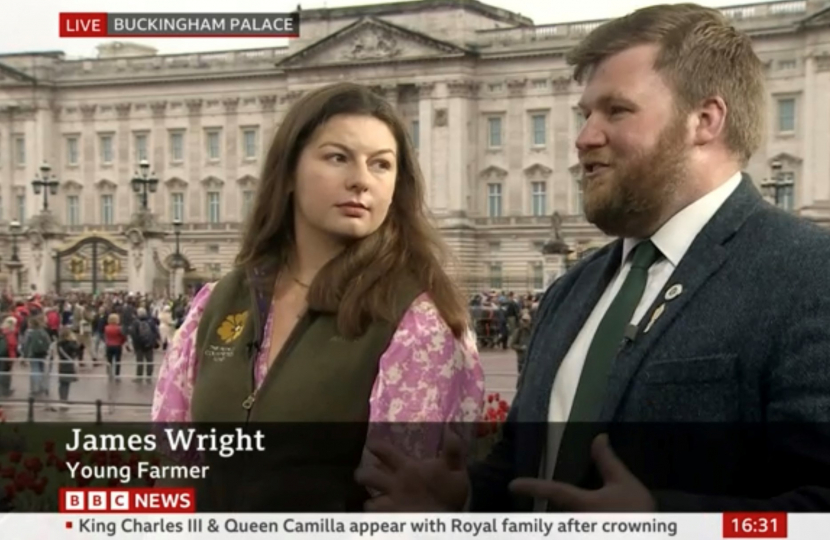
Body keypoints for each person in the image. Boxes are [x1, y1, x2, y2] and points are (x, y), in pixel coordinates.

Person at [355, 3, 830, 512]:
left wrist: (663, 521)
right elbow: (524, 464)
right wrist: (466, 497)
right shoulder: (570, 291)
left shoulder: (809, 273)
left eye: (616, 111)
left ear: (705, 120)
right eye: (585, 114)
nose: (584, 138)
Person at [152, 82, 484, 511]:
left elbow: (398, 500)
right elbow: (174, 465)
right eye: (338, 158)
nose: (361, 181)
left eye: (381, 165)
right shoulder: (218, 301)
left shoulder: (416, 320)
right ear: (289, 172)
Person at [129, 307, 160, 383]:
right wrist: (154, 341)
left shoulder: (135, 322)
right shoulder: (151, 321)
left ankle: (139, 377)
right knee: (150, 361)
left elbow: (133, 334)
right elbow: (155, 332)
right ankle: (149, 377)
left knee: (140, 361)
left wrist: (135, 345)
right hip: (149, 345)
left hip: (139, 346)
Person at [55, 326, 80, 411]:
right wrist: (76, 341)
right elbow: (77, 350)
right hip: (69, 364)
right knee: (66, 384)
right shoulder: (70, 344)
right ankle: (63, 401)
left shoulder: (59, 344)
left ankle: (63, 399)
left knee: (63, 383)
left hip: (62, 364)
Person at [103, 313, 127, 380]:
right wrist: (121, 342)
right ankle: (117, 374)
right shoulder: (119, 328)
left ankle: (109, 374)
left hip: (109, 345)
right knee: (117, 361)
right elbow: (123, 337)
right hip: (117, 345)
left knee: (109, 361)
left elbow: (105, 336)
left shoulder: (106, 328)